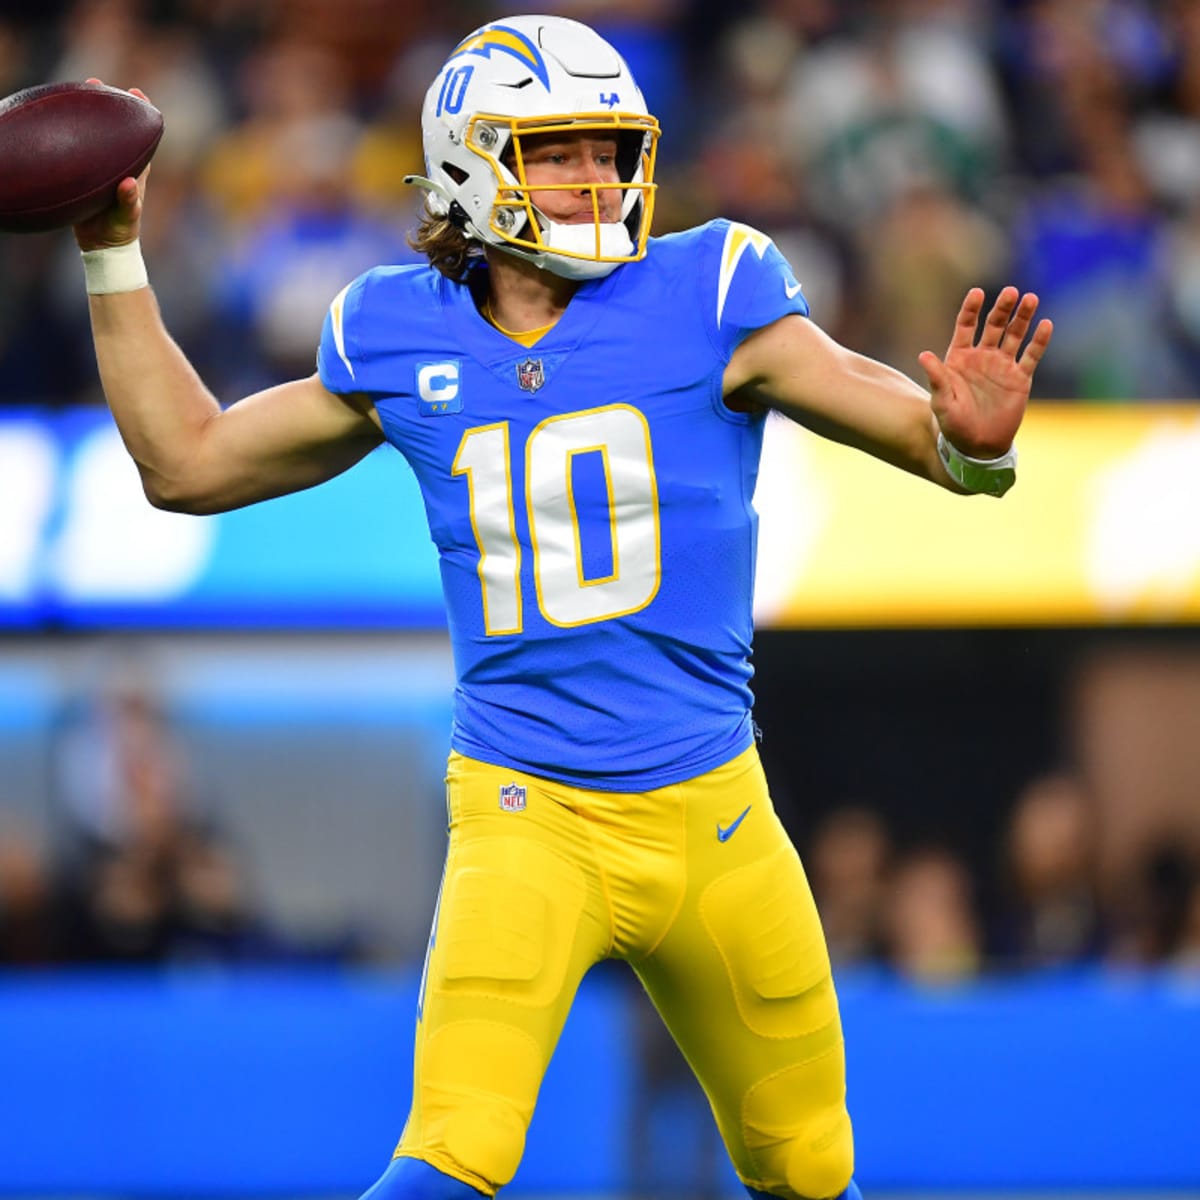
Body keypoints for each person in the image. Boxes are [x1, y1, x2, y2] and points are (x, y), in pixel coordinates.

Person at [73, 15, 1052, 1200]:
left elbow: (915, 431)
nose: (596, 178)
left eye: (608, 149)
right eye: (558, 153)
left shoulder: (713, 287)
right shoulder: (396, 328)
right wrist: (112, 253)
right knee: (454, 1154)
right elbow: (187, 464)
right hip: (523, 812)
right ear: (470, 164)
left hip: (712, 811)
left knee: (809, 1164)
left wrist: (969, 442)